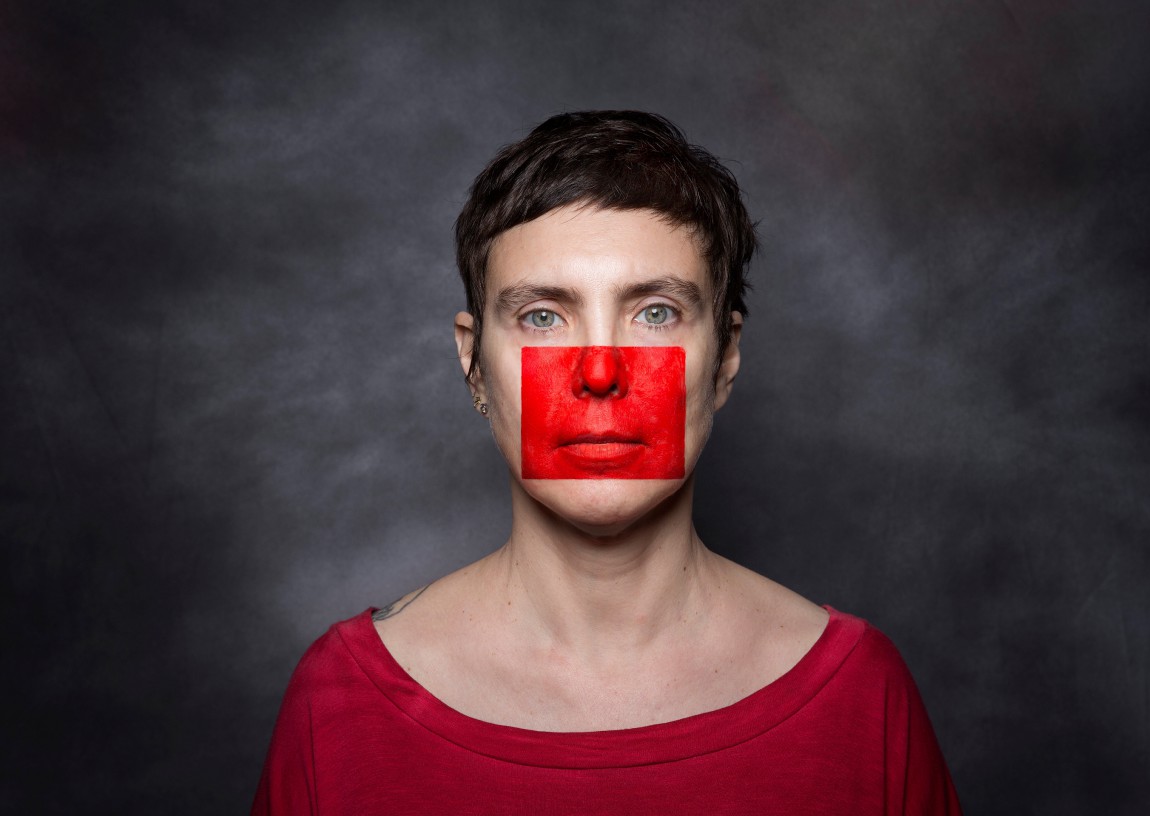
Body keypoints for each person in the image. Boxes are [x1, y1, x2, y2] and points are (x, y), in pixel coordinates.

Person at [252, 110, 962, 814]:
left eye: (655, 312)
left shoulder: (862, 694)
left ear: (724, 359)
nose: (599, 373)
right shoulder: (339, 701)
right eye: (542, 316)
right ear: (474, 364)